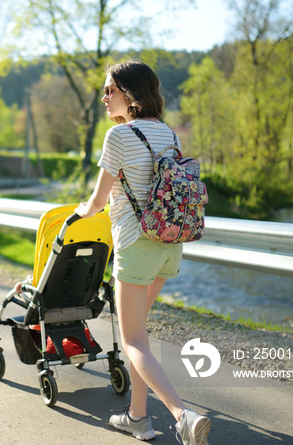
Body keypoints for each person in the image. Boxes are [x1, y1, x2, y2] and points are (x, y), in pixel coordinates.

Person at [74, 60, 211, 445]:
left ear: (129, 95)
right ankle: (138, 418)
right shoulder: (168, 133)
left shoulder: (117, 137)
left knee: (132, 340)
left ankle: (183, 416)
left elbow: (97, 202)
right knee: (140, 339)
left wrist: (78, 212)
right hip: (170, 246)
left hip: (136, 247)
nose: (104, 97)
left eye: (109, 90)